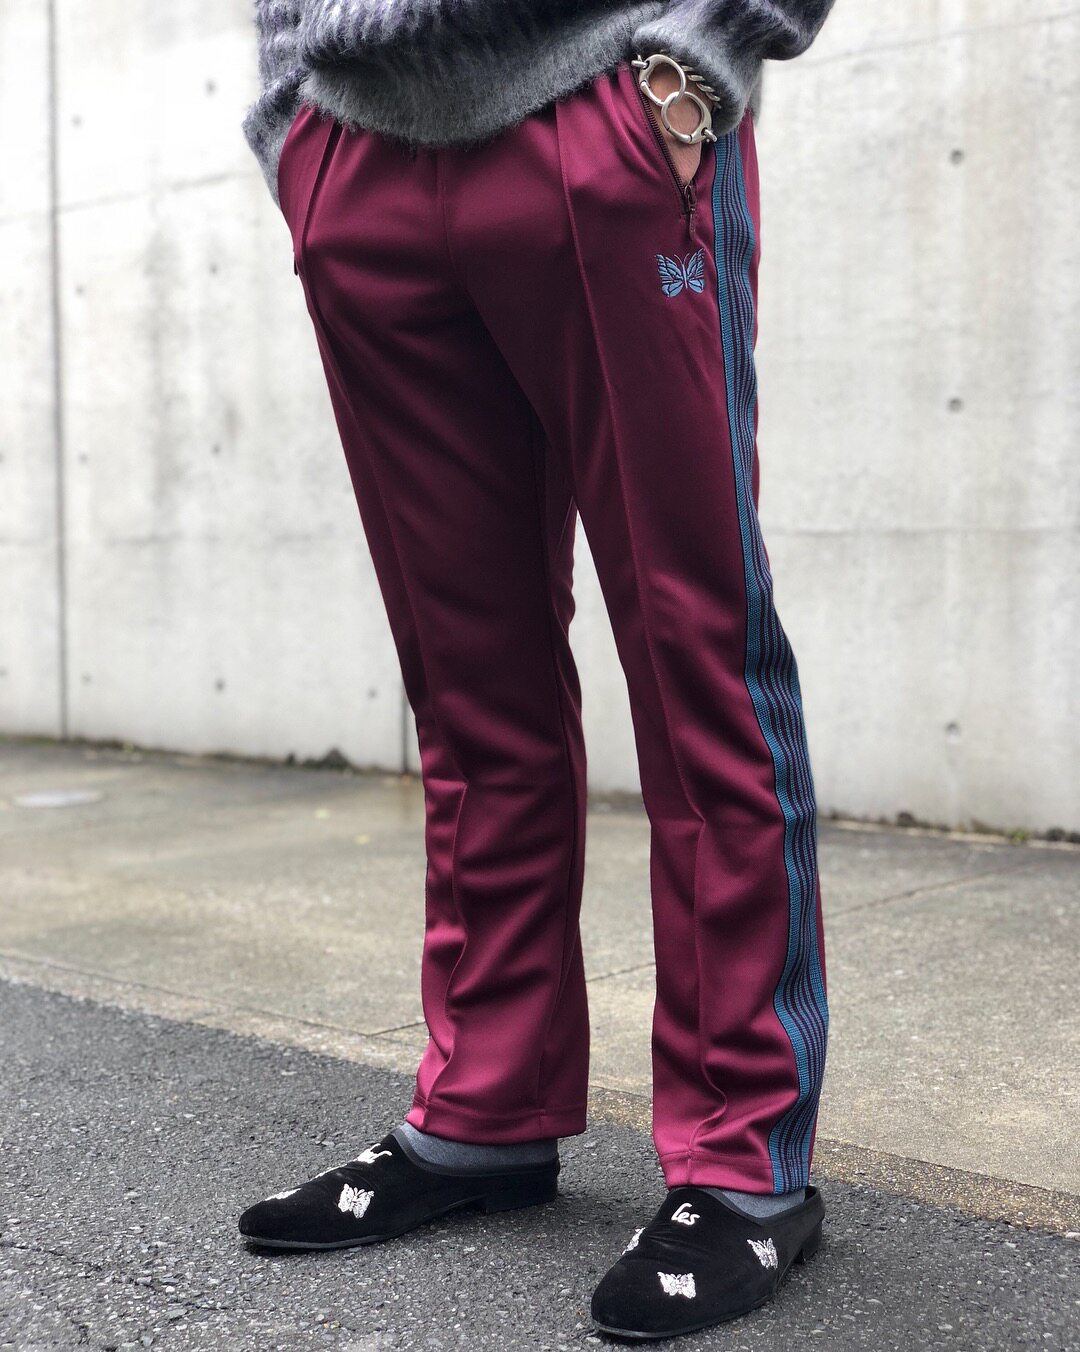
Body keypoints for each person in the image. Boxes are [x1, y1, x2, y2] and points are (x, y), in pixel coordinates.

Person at [236, 0, 835, 1339]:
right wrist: (293, 124)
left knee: (698, 662)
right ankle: (485, 1109)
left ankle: (744, 1160)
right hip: (357, 150)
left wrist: (703, 53)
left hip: (602, 111)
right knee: (467, 686)